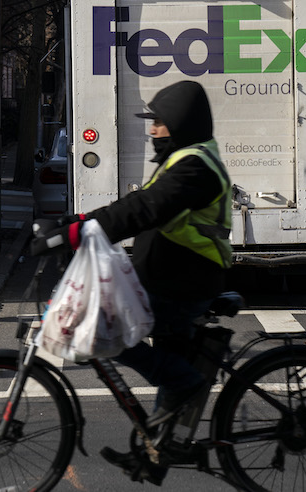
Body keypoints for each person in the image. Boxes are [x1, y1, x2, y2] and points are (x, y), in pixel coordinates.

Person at [31, 80, 232, 483]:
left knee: (104, 326)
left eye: (159, 122)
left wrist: (77, 232)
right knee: (167, 360)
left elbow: (146, 210)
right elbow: (134, 206)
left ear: (180, 123)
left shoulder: (195, 166)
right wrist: (76, 222)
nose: (152, 129)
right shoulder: (184, 159)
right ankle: (156, 450)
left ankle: (184, 385)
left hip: (186, 281)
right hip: (171, 277)